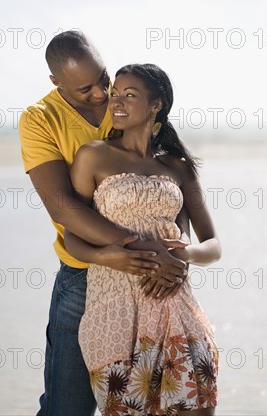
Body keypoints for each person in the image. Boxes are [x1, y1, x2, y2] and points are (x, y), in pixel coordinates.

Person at [18, 32, 190, 416]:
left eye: (103, 79)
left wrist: (176, 255)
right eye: (85, 89)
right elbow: (64, 208)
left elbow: (165, 182)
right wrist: (145, 247)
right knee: (68, 407)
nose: (100, 94)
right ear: (55, 83)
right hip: (84, 276)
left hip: (151, 279)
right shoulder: (39, 120)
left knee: (149, 404)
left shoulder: (123, 101)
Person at [64, 63, 222, 415]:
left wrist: (186, 255)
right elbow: (73, 239)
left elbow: (212, 245)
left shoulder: (178, 166)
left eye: (130, 95)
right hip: (115, 310)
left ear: (156, 105)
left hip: (176, 305)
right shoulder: (93, 155)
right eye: (115, 95)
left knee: (197, 406)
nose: (116, 102)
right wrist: (112, 257)